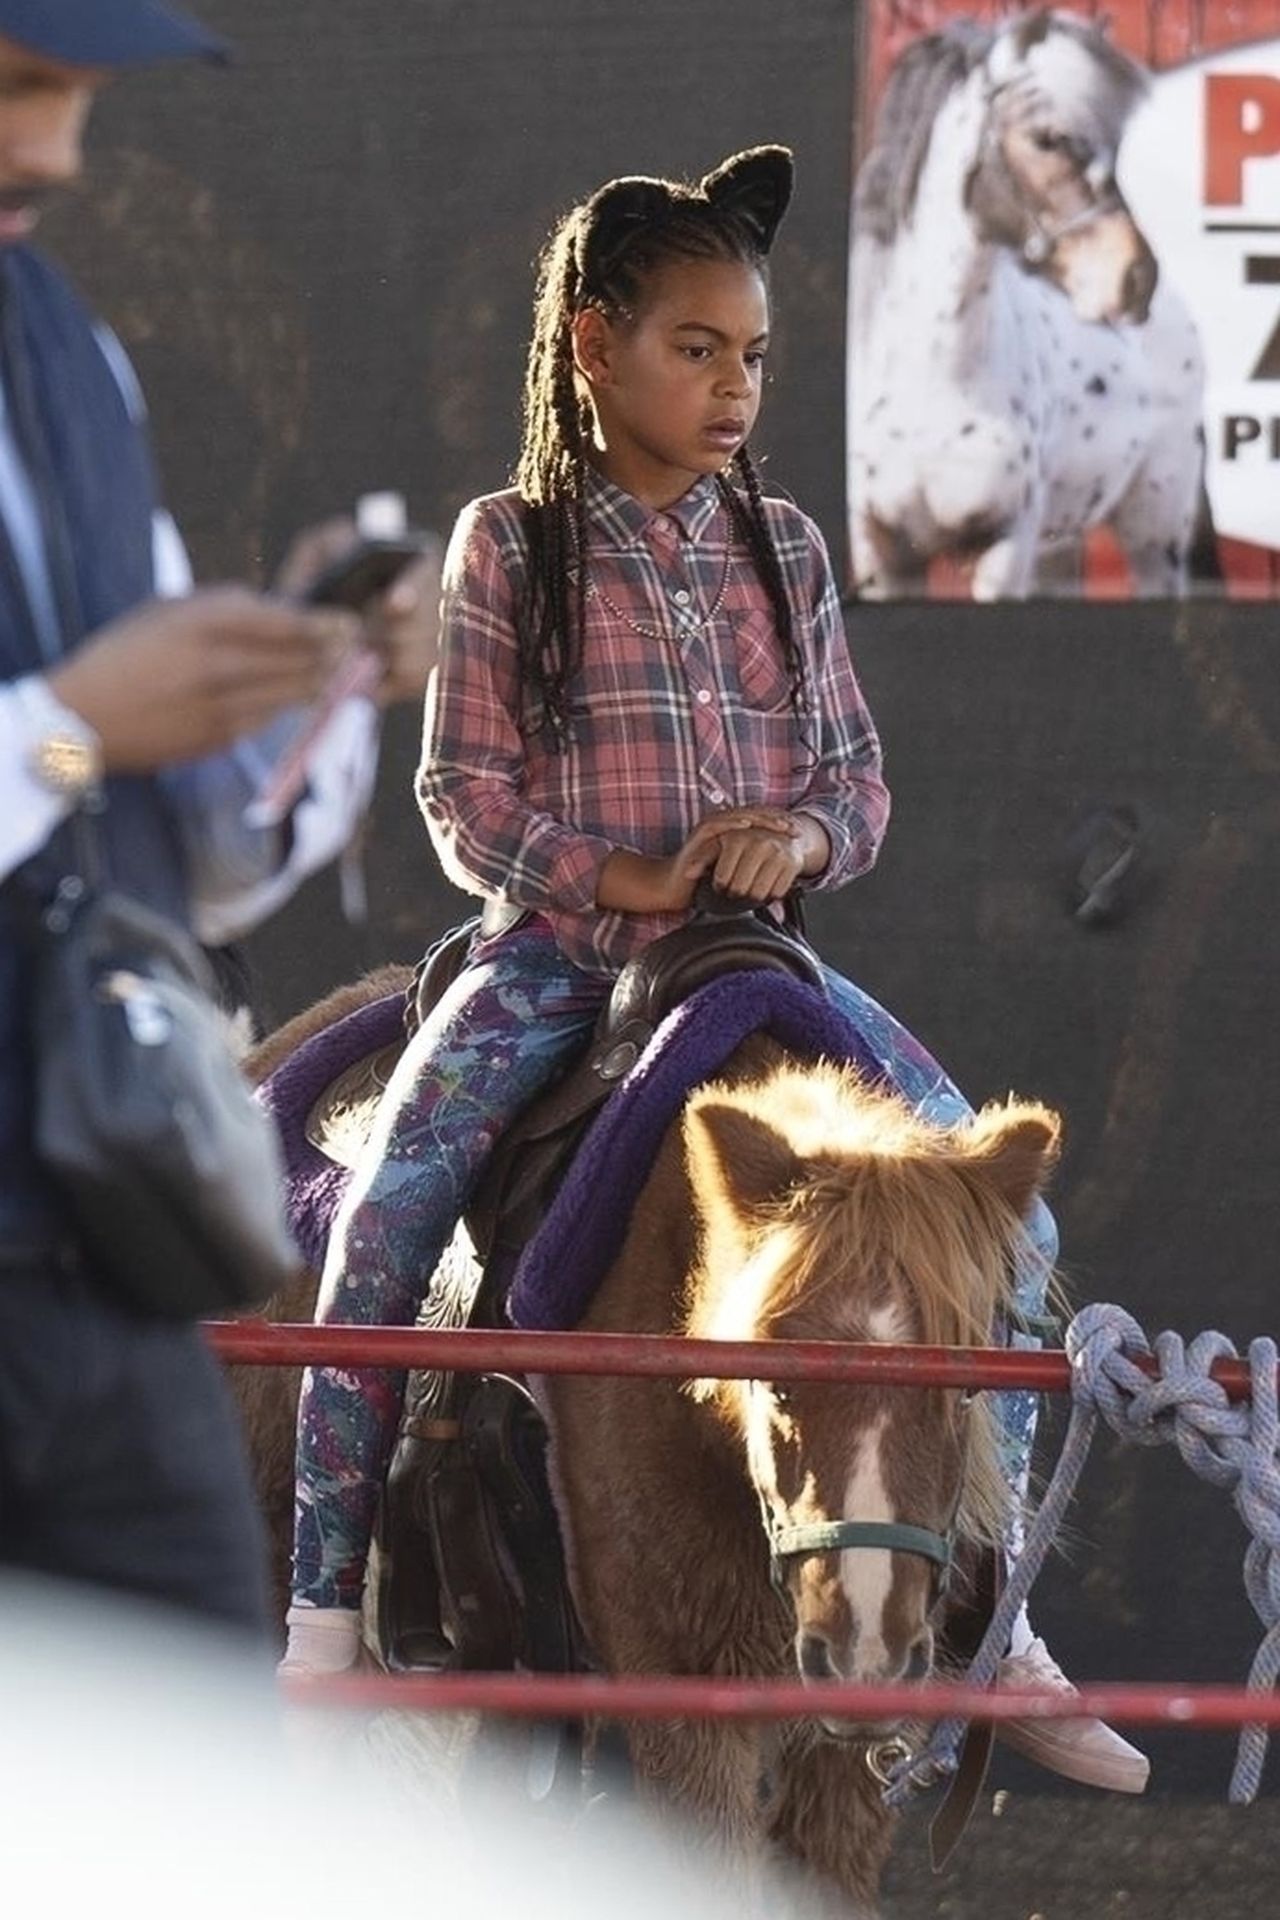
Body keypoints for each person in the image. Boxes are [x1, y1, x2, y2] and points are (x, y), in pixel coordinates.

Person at [282, 142, 1146, 1792]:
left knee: (1005, 1217)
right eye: (699, 350)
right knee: (386, 1221)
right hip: (554, 961)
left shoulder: (790, 549)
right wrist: (625, 873)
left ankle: (998, 1623)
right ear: (595, 345)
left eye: (753, 356)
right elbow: (462, 800)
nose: (737, 386)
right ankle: (326, 1618)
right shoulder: (508, 546)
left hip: (751, 960)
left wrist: (797, 845)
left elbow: (858, 785)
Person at [0, 1, 440, 1640]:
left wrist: (325, 694)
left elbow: (192, 854)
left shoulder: (73, 357)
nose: (61, 148)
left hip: (96, 1264)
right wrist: (67, 736)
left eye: (81, 93)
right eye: (26, 86)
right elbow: (71, 762)